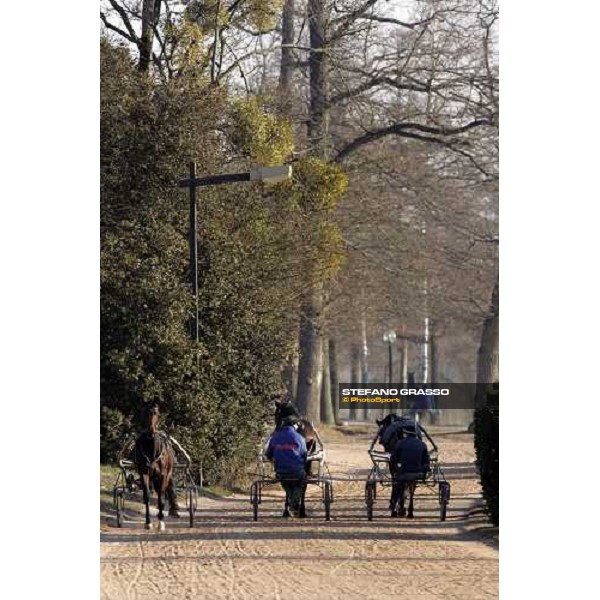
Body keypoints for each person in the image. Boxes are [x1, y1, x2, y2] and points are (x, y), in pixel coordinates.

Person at [265, 416, 307, 517]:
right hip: (297, 471)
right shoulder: (300, 438)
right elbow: (304, 455)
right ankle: (294, 502)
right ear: (294, 425)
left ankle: (292, 501)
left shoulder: (275, 437)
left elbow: (268, 454)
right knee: (301, 482)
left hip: (281, 471)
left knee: (286, 483)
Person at [389, 426, 430, 517]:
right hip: (418, 473)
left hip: (403, 473)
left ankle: (396, 505)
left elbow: (393, 459)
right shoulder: (422, 444)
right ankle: (410, 508)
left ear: (405, 434)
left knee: (399, 485)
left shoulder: (400, 443)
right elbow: (426, 461)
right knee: (412, 487)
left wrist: (396, 469)